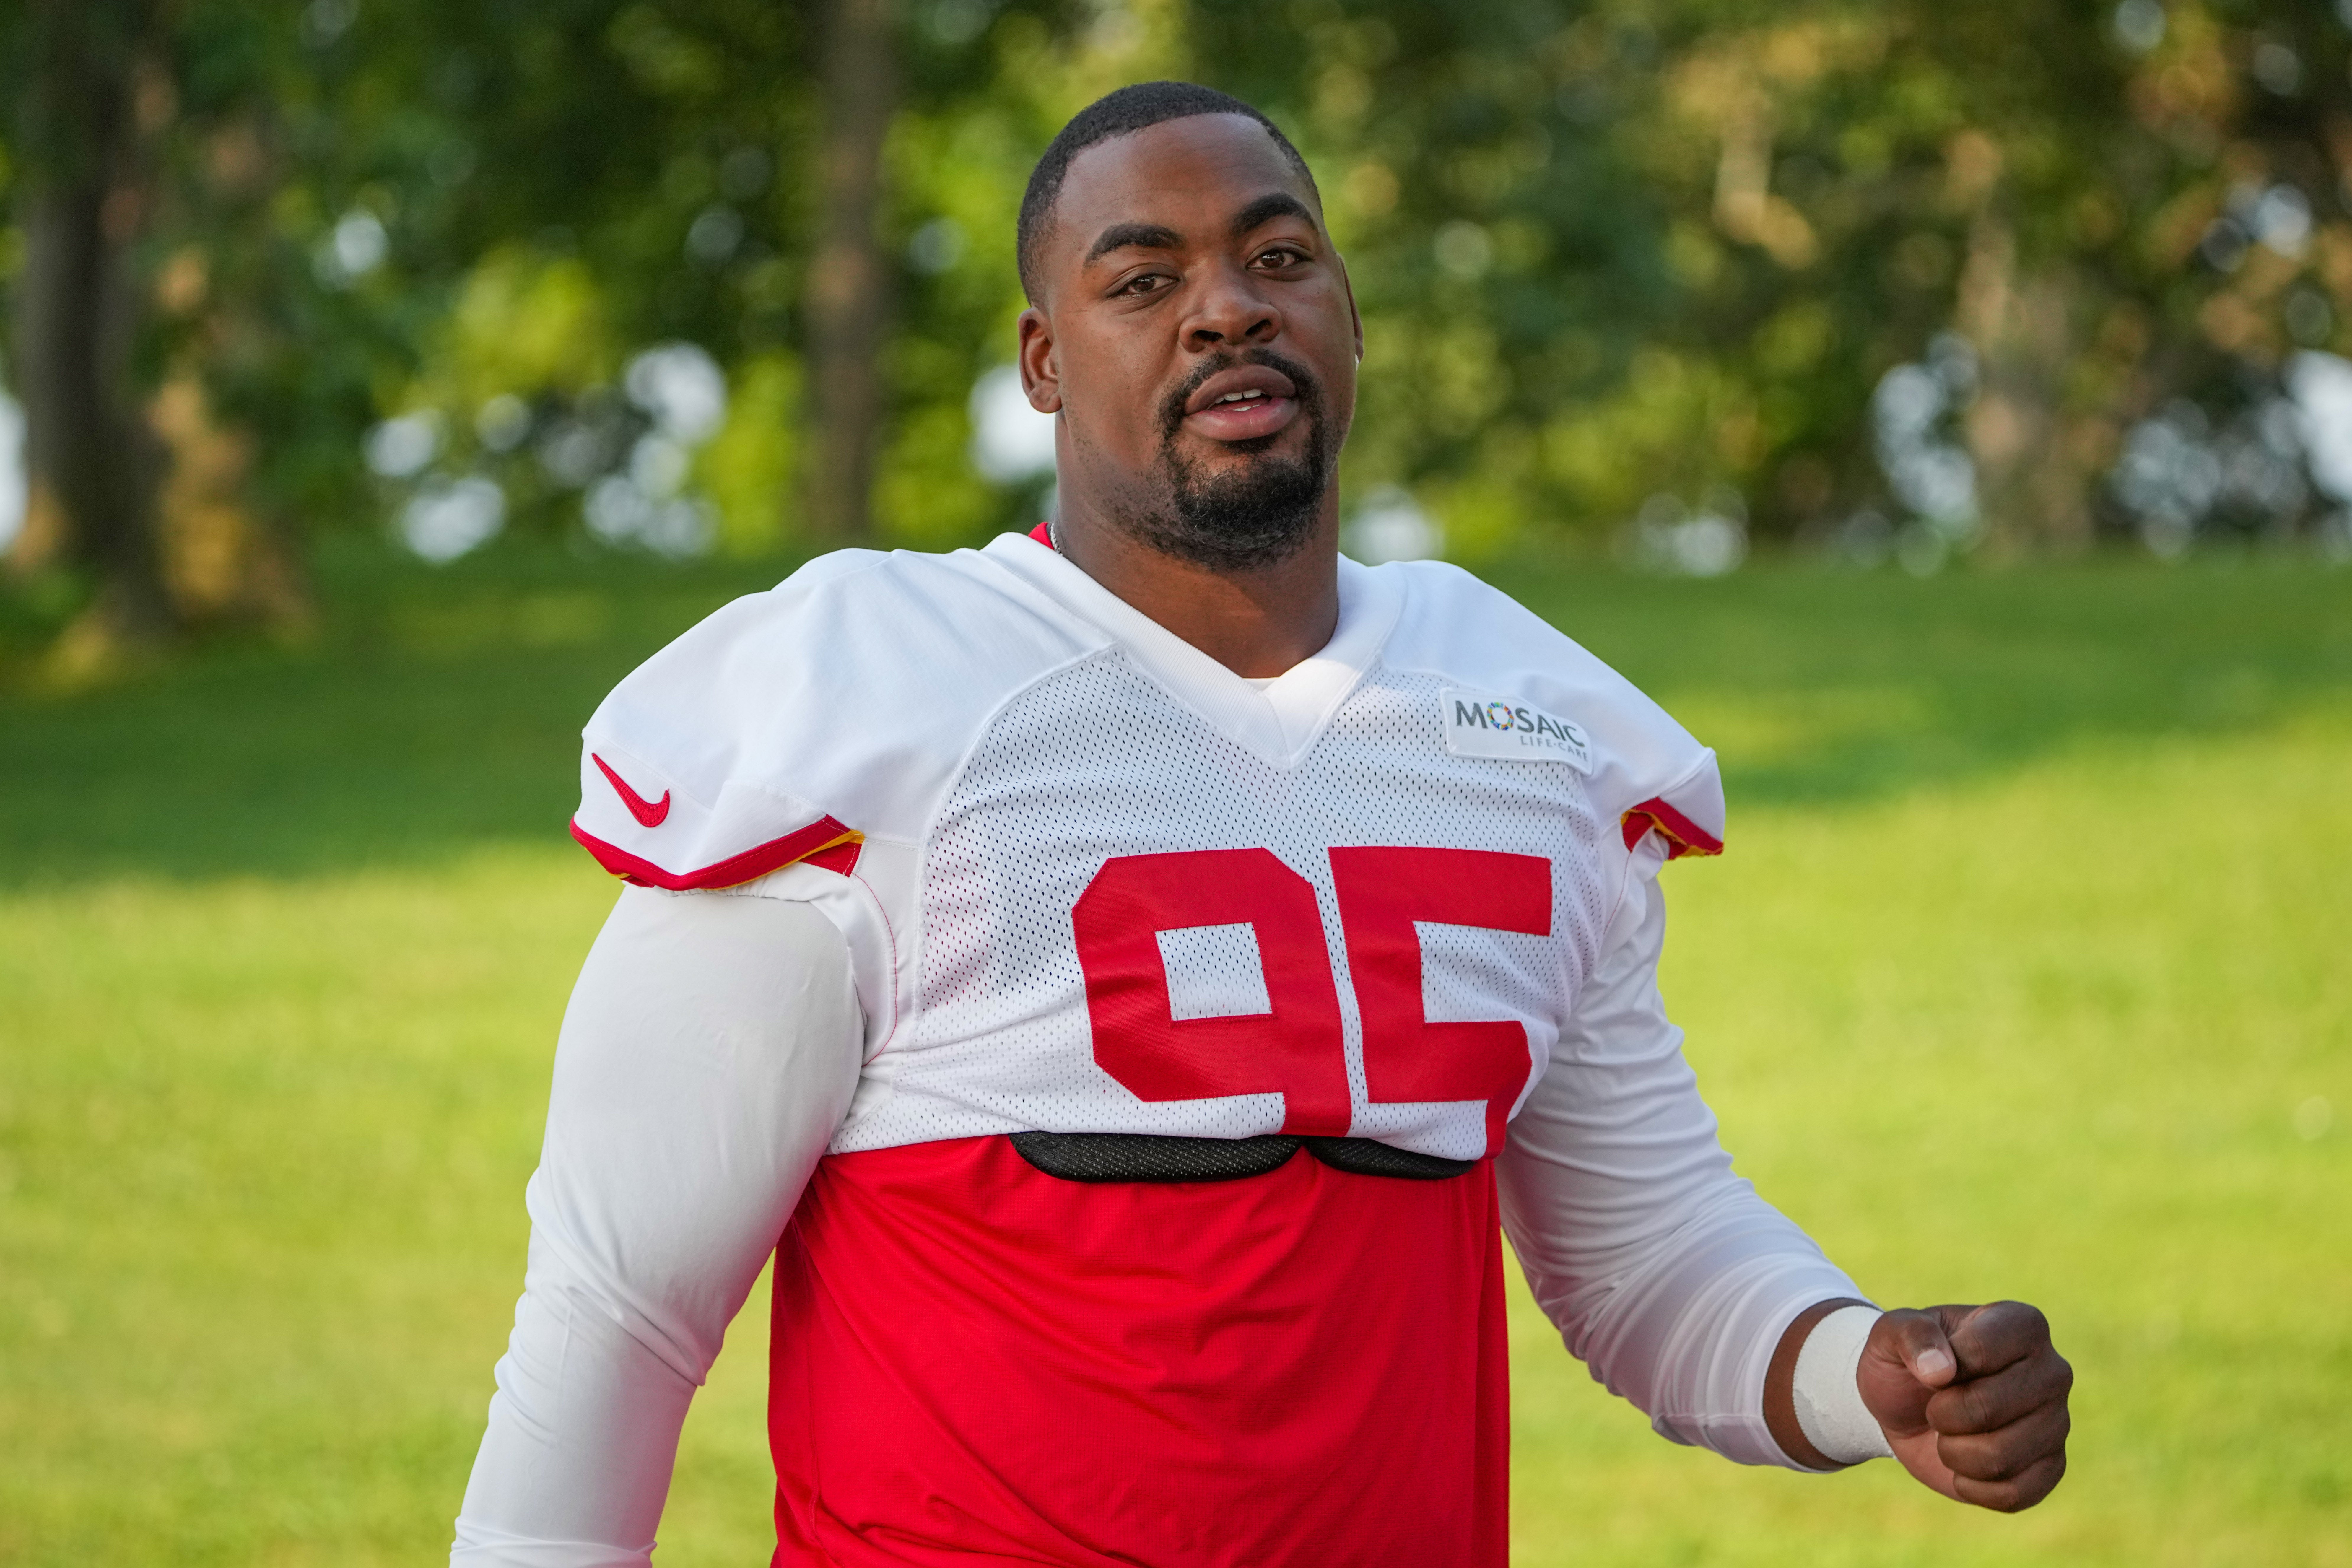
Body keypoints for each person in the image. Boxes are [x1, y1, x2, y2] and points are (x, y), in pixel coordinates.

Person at [450, 82, 2071, 1567]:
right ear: (1042, 364)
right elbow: (619, 1312)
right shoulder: (870, 698)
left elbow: (1644, 1258)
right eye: (1143, 279)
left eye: (1278, 256)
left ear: (1350, 320)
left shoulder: (1516, 722)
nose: (1228, 306)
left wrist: (1869, 1372)